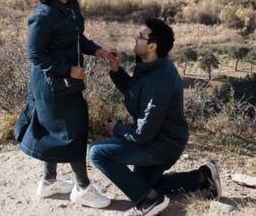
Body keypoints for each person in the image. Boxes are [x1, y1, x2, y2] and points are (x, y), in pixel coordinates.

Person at [89, 17, 222, 216]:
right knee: (141, 184)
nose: (136, 38)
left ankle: (149, 202)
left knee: (96, 152)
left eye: (140, 36)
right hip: (163, 140)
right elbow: (136, 93)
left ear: (152, 46)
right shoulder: (151, 66)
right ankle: (202, 178)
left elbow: (142, 133)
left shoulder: (159, 80)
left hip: (161, 144)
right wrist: (116, 69)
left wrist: (117, 129)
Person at [14, 0, 116, 209]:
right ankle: (82, 188)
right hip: (51, 84)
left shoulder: (71, 5)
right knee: (74, 129)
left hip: (69, 81)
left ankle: (49, 182)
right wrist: (68, 70)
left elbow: (77, 38)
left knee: (56, 129)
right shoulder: (43, 16)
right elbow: (35, 55)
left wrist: (98, 51)